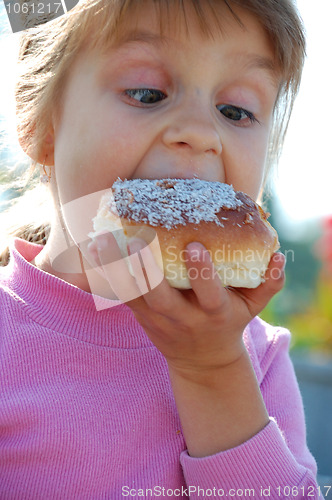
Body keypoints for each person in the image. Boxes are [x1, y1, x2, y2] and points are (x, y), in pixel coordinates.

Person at [0, 0, 323, 498]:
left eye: (235, 110)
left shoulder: (258, 357)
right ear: (41, 126)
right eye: (147, 93)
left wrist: (213, 371)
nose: (199, 133)